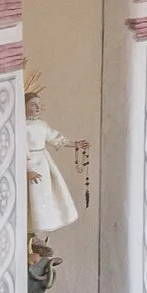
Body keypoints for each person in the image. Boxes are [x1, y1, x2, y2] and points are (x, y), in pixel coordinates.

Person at [24, 84, 84, 237]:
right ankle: (28, 233)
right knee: (29, 198)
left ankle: (36, 236)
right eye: (33, 105)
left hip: (43, 164)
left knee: (42, 196)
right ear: (23, 106)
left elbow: (56, 139)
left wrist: (76, 144)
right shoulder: (21, 126)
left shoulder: (41, 125)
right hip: (28, 164)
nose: (38, 108)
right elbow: (22, 150)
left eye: (39, 104)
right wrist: (29, 170)